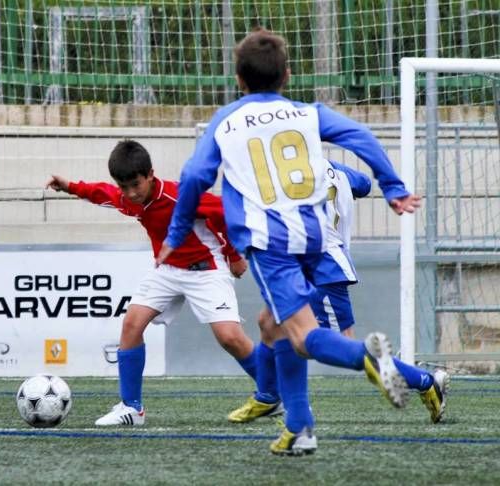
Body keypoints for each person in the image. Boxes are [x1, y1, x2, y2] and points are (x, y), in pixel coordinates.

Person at [159, 29, 423, 455]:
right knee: (273, 324)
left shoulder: (226, 121)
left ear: (238, 79)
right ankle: (299, 427)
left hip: (271, 242)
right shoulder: (307, 113)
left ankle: (372, 360)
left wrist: (176, 232)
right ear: (287, 75)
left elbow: (193, 177)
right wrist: (391, 187)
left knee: (302, 336)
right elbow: (361, 137)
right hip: (316, 234)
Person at [45, 139, 261, 426]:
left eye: (137, 184)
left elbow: (224, 214)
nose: (131, 193)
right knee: (132, 323)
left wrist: (234, 255)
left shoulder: (180, 196)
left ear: (150, 175)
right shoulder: (127, 198)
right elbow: (103, 193)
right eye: (125, 187)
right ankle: (132, 409)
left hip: (205, 269)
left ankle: (274, 391)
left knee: (230, 338)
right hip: (167, 270)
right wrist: (70, 186)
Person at [229, 161, 449, 426]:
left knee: (335, 344)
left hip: (322, 265)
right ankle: (267, 396)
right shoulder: (336, 170)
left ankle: (424, 381)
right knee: (269, 323)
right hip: (308, 265)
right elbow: (364, 184)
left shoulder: (283, 173)